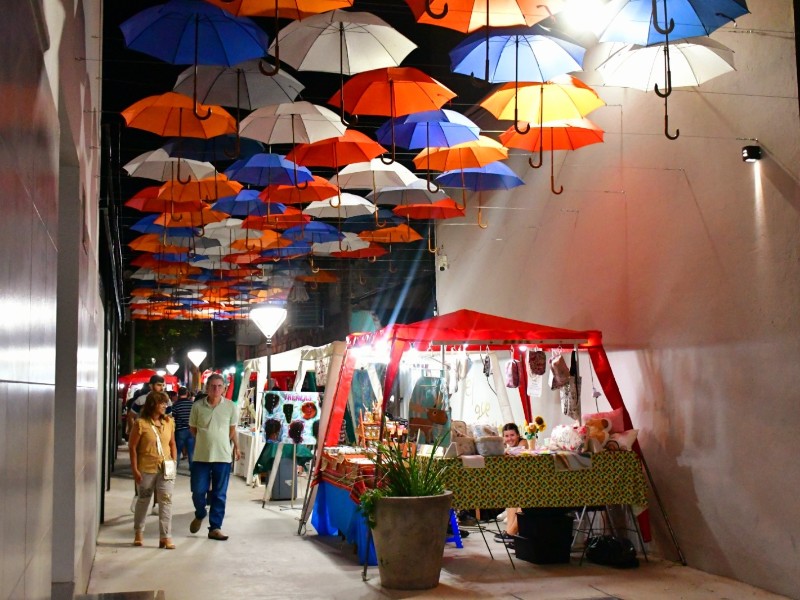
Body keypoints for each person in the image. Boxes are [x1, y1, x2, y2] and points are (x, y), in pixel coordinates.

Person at [189, 374, 240, 541]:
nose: (216, 389)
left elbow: (232, 430)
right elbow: (193, 429)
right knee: (198, 490)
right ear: (207, 388)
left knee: (219, 493)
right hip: (201, 456)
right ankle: (200, 512)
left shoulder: (231, 407)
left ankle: (215, 527)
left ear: (224, 388)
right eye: (212, 386)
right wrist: (207, 440)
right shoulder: (197, 406)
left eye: (219, 386)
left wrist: (235, 447)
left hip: (223, 456)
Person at [128, 390, 177, 549]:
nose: (165, 406)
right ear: (151, 405)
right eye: (161, 403)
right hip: (147, 468)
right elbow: (132, 447)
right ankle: (138, 532)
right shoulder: (140, 424)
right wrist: (135, 469)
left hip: (166, 467)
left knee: (166, 501)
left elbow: (172, 444)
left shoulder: (169, 422)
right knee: (144, 500)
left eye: (165, 403)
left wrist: (174, 461)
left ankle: (165, 537)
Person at [495, 423, 526, 548]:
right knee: (512, 498)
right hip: (519, 483)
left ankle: (511, 533)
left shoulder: (523, 443)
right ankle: (510, 534)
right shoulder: (506, 448)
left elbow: (520, 451)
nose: (510, 438)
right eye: (506, 436)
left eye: (512, 435)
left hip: (528, 483)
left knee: (522, 502)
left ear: (518, 435)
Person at [172, 386, 194, 469]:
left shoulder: (176, 405)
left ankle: (174, 468)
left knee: (177, 450)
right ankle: (192, 468)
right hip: (191, 429)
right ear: (187, 393)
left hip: (180, 430)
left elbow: (173, 417)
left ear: (178, 394)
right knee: (191, 451)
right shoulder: (192, 404)